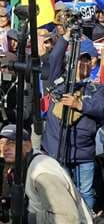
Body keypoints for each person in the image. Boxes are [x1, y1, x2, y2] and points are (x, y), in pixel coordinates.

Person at [0, 124, 94, 224]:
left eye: (12, 143)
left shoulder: (42, 173)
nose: (5, 148)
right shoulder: (20, 166)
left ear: (28, 146)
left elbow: (67, 218)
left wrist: (24, 217)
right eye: (1, 143)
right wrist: (9, 203)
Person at [41, 37, 104, 209]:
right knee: (63, 192)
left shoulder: (96, 88)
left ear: (93, 63)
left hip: (84, 153)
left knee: (86, 192)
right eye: (79, 60)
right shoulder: (59, 82)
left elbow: (101, 108)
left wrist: (80, 105)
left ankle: (87, 219)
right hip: (58, 149)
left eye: (87, 60)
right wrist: (66, 37)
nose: (83, 64)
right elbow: (54, 58)